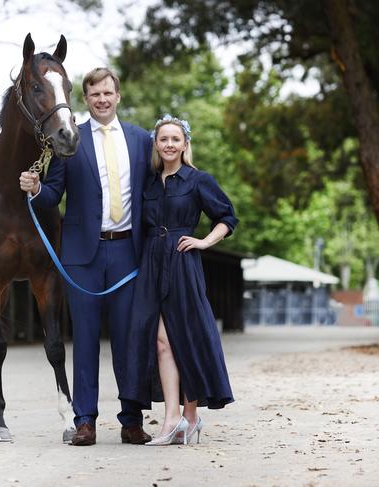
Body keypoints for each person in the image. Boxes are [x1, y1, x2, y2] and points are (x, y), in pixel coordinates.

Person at [19, 67, 153, 446]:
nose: (102, 100)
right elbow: (53, 196)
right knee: (87, 339)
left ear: (118, 96)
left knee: (129, 338)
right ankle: (85, 421)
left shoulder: (142, 140)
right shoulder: (70, 140)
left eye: (108, 93)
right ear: (86, 100)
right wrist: (35, 188)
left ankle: (131, 420)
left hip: (128, 251)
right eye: (94, 95)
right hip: (82, 256)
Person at [120, 114, 238, 446]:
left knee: (185, 338)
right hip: (152, 263)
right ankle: (173, 417)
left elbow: (227, 217)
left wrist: (203, 241)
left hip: (183, 262)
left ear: (185, 144)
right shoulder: (149, 182)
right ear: (155, 145)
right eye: (163, 139)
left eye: (175, 139)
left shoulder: (198, 180)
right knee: (160, 342)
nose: (169, 144)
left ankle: (190, 416)